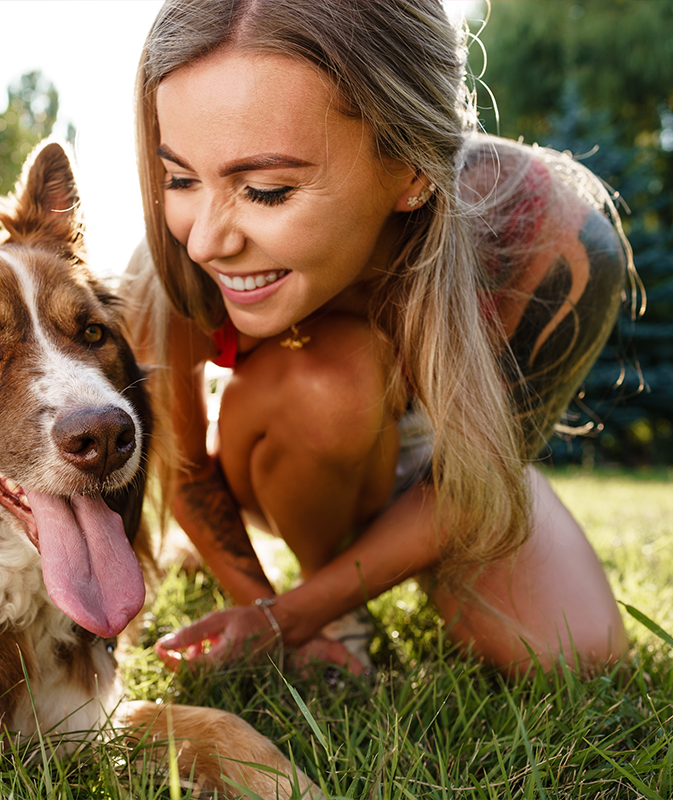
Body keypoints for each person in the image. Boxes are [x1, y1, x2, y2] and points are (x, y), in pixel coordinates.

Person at [123, 0, 637, 678]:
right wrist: (276, 611)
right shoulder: (169, 271)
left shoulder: (551, 244)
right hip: (288, 442)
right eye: (181, 178)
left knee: (577, 654)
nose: (208, 240)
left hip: (455, 462)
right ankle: (330, 591)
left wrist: (288, 618)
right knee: (336, 377)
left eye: (268, 190)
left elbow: (467, 485)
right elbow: (187, 470)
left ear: (411, 170)